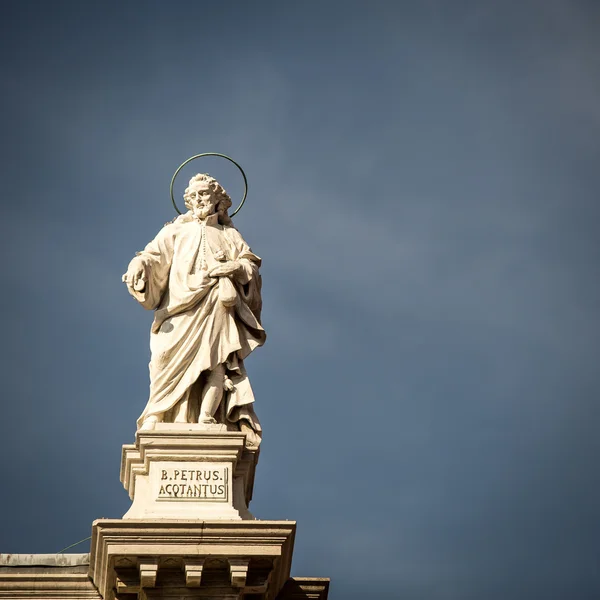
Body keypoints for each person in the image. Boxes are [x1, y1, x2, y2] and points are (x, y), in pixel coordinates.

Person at [122, 173, 265, 446]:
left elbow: (250, 266)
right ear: (188, 200)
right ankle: (158, 411)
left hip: (215, 304)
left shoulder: (230, 234)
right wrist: (137, 267)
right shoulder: (175, 230)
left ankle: (207, 417)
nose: (199, 199)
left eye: (204, 194)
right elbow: (151, 256)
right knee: (164, 358)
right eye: (194, 195)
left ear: (217, 200)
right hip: (177, 311)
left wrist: (234, 267)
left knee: (216, 360)